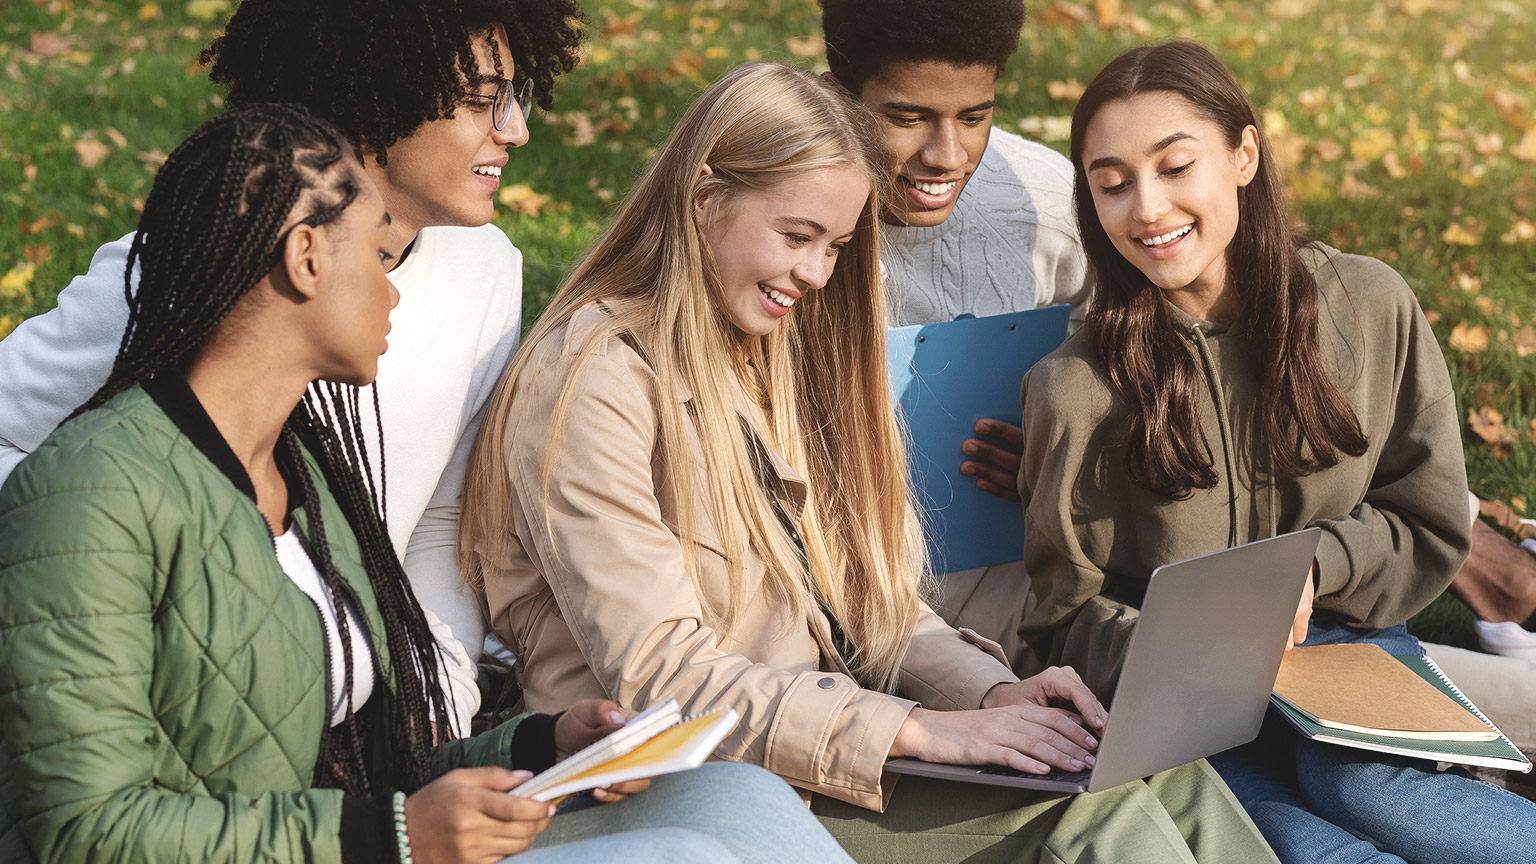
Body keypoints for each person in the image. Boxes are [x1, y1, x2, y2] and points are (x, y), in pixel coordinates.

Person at [460, 61, 1279, 864]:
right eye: (797, 236)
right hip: (696, 787)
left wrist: (989, 695)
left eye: (837, 245)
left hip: (824, 746)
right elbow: (665, 679)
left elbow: (865, 592)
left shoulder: (760, 349)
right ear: (705, 199)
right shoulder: (593, 375)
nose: (817, 273)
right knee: (1089, 816)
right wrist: (922, 731)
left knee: (1161, 776)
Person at [0, 103, 854, 864]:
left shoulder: (305, 475)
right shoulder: (89, 497)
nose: (395, 289)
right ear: (304, 258)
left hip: (350, 842)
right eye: (377, 253)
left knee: (740, 795)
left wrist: (542, 746)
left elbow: (360, 768)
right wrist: (391, 839)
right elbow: (85, 831)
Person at [0, 0, 585, 734]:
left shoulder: (488, 269)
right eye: (479, 102)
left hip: (360, 702)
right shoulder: (200, 273)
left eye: (514, 96)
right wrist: (106, 598)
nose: (516, 130)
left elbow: (439, 516)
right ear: (378, 98)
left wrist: (437, 703)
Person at [1016, 39, 1536, 863]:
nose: (1146, 207)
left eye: (1175, 166)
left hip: (1350, 648)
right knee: (1294, 843)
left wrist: (1316, 565)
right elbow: (1058, 620)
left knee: (1363, 787)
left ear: (1244, 154)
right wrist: (1174, 641)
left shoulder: (1367, 306)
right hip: (1189, 706)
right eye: (1112, 184)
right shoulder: (1073, 388)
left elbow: (1427, 515)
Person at [820, 0, 1087, 671]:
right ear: (839, 95)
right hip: (834, 601)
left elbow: (1134, 364)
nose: (946, 155)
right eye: (907, 118)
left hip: (1019, 593)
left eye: (975, 117)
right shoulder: (780, 207)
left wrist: (1064, 451)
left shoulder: (1046, 202)